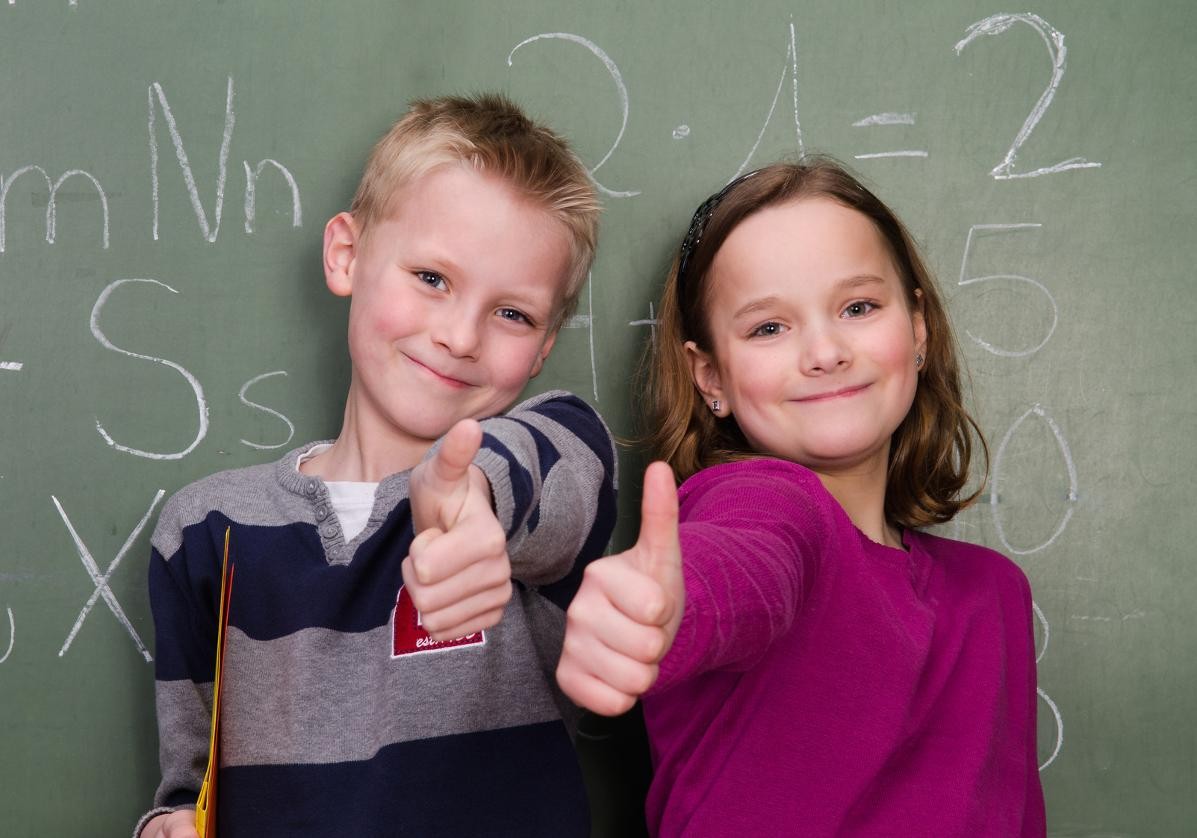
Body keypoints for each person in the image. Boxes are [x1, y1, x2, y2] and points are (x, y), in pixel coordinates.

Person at [137, 93, 615, 838]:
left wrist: (477, 494)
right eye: (431, 278)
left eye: (512, 313)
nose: (460, 335)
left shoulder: (532, 491)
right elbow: (190, 786)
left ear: (545, 344)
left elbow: (564, 454)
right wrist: (165, 826)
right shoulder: (208, 529)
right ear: (346, 256)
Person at [556, 159, 1046, 836]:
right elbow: (745, 560)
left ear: (918, 329)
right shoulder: (764, 504)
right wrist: (665, 612)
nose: (823, 351)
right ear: (710, 378)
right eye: (767, 328)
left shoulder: (992, 594)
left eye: (858, 307)